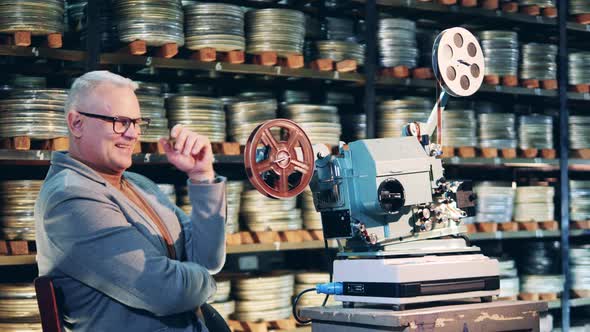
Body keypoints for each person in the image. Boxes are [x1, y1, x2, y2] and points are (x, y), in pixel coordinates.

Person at [34, 71, 226, 332]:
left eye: (136, 122)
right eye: (120, 122)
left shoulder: (139, 184)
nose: (133, 134)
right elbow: (165, 291)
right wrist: (208, 282)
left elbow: (207, 257)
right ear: (76, 123)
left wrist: (202, 177)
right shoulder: (70, 198)